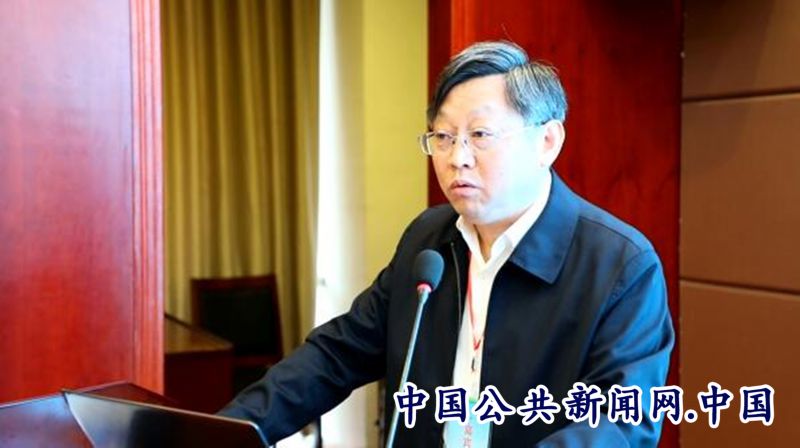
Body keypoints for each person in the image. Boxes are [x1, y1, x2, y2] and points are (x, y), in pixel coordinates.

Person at [219, 40, 674, 447]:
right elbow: (336, 354)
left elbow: (619, 425)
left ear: (547, 142)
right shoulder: (429, 242)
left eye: (480, 135)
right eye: (443, 136)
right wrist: (229, 430)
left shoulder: (620, 266)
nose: (457, 158)